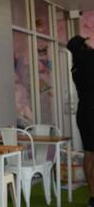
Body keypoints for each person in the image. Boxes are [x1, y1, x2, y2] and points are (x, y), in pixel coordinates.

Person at [67, 35, 94, 207]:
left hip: (84, 112)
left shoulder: (75, 68)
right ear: (83, 46)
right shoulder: (91, 58)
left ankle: (93, 195)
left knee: (89, 152)